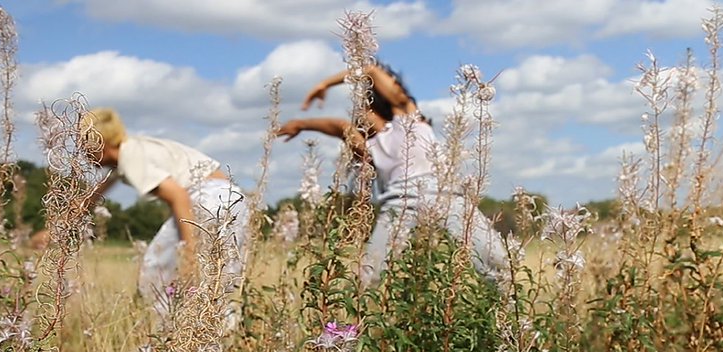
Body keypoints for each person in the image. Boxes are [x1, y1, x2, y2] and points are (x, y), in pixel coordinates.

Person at [277, 64, 509, 287]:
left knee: (496, 262)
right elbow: (339, 126)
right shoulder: (370, 145)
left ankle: (508, 320)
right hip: (399, 203)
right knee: (370, 275)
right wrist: (300, 124)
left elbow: (371, 71)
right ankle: (353, 327)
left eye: (363, 106)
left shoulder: (407, 117)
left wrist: (325, 84)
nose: (359, 113)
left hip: (445, 195)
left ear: (377, 103)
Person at [79, 107, 249, 327]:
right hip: (233, 198)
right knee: (218, 280)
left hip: (207, 199)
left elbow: (177, 195)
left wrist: (189, 251)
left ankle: (168, 342)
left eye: (84, 146)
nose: (82, 154)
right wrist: (59, 225)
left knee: (156, 273)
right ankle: (220, 343)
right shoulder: (133, 150)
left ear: (99, 144)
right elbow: (98, 191)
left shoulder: (131, 159)